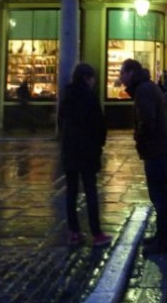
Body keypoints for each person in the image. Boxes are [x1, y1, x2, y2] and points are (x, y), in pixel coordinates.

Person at [120, 58, 167, 256]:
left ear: (131, 73)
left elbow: (147, 120)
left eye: (122, 73)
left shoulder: (143, 90)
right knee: (159, 195)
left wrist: (140, 138)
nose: (120, 77)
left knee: (159, 196)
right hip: (160, 146)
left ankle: (164, 241)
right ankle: (162, 236)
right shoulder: (146, 87)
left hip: (157, 148)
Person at [58, 63, 111, 247]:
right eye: (93, 78)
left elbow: (61, 121)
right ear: (87, 78)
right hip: (87, 150)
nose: (94, 81)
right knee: (90, 191)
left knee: (71, 192)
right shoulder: (89, 97)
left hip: (70, 150)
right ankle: (96, 233)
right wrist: (99, 144)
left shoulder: (67, 95)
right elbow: (99, 124)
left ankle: (74, 232)